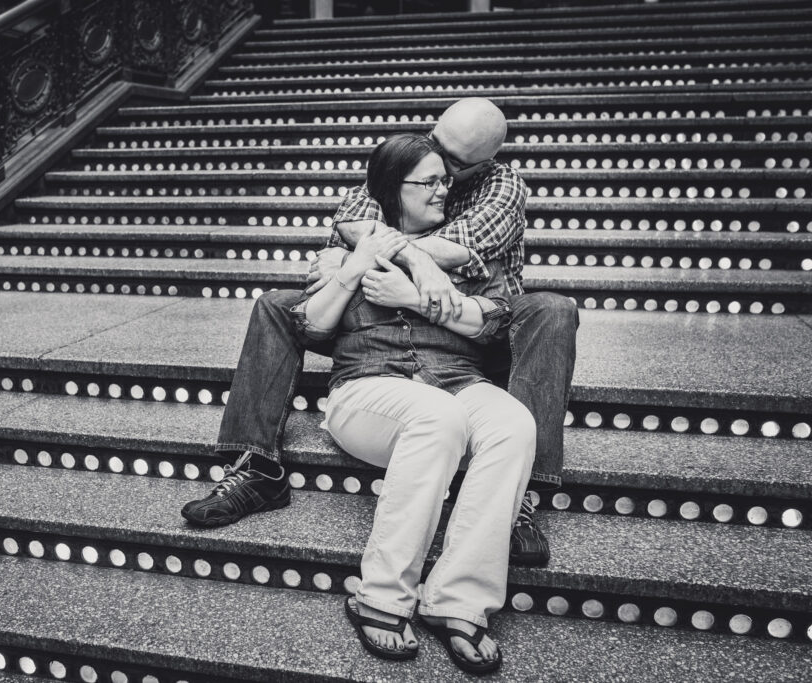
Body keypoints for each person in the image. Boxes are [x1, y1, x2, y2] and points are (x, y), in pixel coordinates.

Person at [181, 98, 578, 569]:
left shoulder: (502, 185)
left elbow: (465, 247)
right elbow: (349, 220)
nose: (441, 171)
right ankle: (258, 467)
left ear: (483, 163)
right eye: (436, 147)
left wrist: (389, 257)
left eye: (452, 165)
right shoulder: (413, 161)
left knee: (554, 311)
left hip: (475, 325)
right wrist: (404, 261)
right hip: (374, 320)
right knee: (275, 305)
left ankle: (521, 498)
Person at [295, 133, 531, 672]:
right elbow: (312, 325)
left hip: (454, 379)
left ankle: (458, 600)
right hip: (368, 391)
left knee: (513, 423)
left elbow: (493, 323)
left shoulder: (468, 253)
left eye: (445, 181)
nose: (443, 191)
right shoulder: (343, 247)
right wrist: (358, 265)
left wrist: (418, 299)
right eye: (428, 182)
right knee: (436, 416)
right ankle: (380, 595)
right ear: (390, 189)